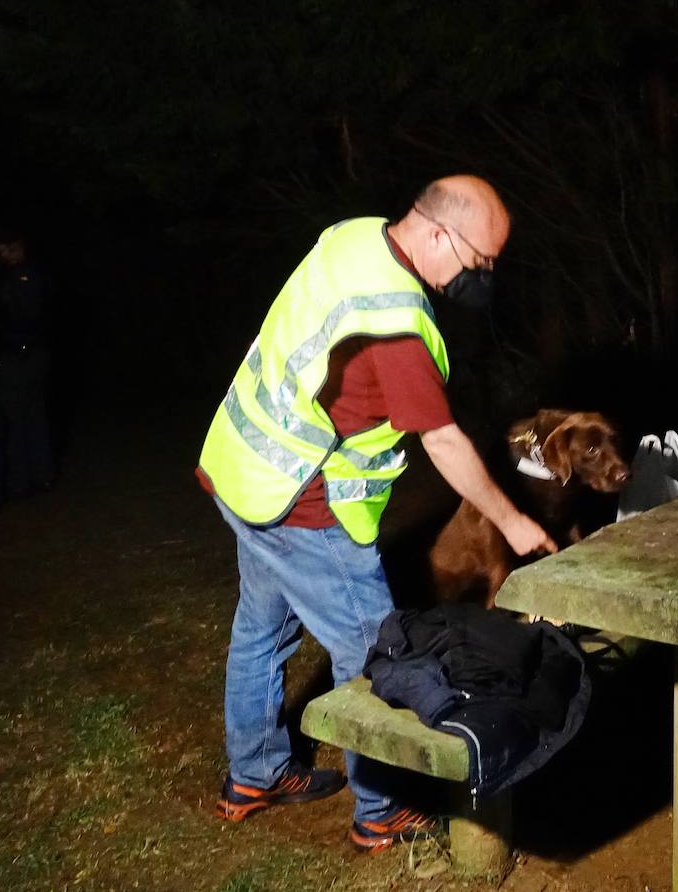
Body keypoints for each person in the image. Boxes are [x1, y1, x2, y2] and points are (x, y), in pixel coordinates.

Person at [196, 175, 558, 852]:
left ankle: (255, 773)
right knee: (375, 656)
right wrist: (512, 522)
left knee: (260, 632)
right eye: (480, 263)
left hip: (245, 470)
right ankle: (381, 811)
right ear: (437, 233)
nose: (481, 278)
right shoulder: (395, 322)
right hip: (303, 506)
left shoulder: (355, 236)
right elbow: (443, 441)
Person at [0, 228, 54, 502]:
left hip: (20, 358)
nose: (1, 257)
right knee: (29, 418)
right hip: (27, 356)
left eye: (2, 251)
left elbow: (23, 318)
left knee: (18, 421)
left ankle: (24, 482)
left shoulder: (22, 279)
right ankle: (38, 476)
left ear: (15, 247)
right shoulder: (19, 277)